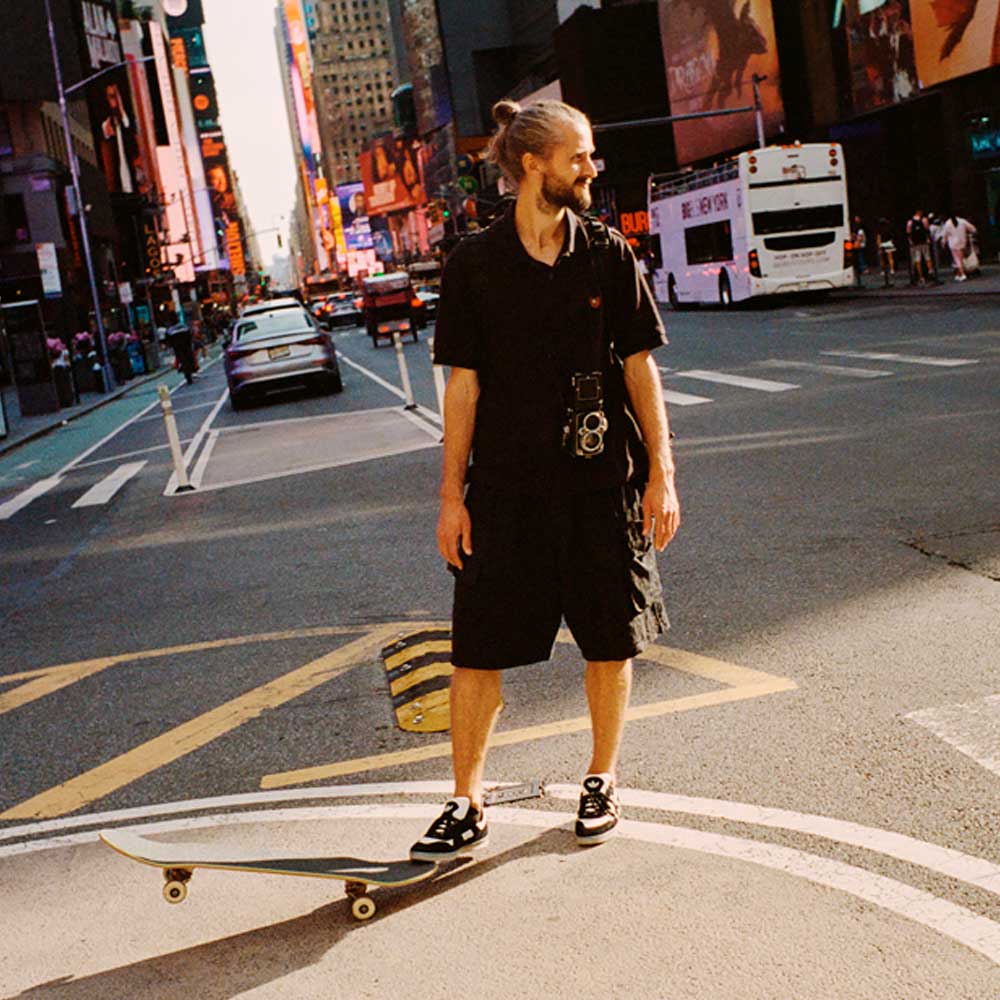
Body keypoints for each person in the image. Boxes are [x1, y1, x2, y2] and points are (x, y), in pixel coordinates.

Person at [409, 98, 680, 862]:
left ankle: (601, 776)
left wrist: (663, 472)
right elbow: (461, 386)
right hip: (506, 493)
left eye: (591, 155)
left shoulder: (606, 253)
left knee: (609, 639)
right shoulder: (475, 264)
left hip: (600, 487)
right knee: (477, 653)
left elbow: (639, 369)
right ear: (533, 163)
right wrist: (450, 497)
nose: (592, 168)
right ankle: (466, 799)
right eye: (580, 156)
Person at [940, 214, 978, 281]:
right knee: (960, 258)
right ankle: (959, 274)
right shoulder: (962, 221)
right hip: (962, 242)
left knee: (957, 260)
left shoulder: (948, 223)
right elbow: (973, 229)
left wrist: (943, 243)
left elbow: (944, 235)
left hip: (953, 244)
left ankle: (963, 274)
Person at [906, 210, 931, 286]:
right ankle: (930, 272)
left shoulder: (910, 222)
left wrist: (910, 241)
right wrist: (928, 238)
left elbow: (908, 232)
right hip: (924, 241)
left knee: (917, 259)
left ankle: (920, 276)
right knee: (927, 257)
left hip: (915, 243)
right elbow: (927, 229)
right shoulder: (924, 220)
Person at [876, 217, 896, 287]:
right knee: (890, 257)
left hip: (882, 244)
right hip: (889, 243)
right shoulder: (889, 228)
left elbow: (878, 238)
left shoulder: (879, 230)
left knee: (882, 259)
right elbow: (892, 237)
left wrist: (879, 246)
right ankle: (892, 269)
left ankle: (883, 271)